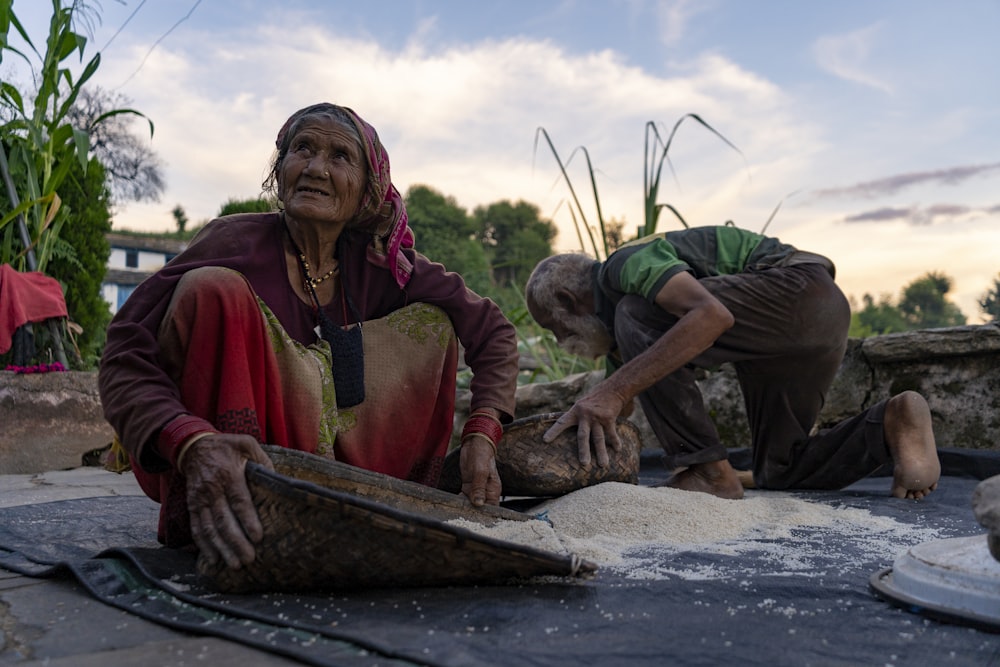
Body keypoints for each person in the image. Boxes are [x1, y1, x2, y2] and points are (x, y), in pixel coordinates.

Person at [99, 103, 518, 571]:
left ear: (366, 189)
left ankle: (375, 502)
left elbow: (494, 331)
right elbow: (124, 348)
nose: (316, 168)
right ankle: (240, 505)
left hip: (347, 469)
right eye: (303, 149)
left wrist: (483, 433)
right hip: (236, 459)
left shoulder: (383, 266)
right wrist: (190, 442)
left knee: (434, 326)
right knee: (211, 290)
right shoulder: (233, 243)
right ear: (280, 171)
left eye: (339, 156)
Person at [525, 225, 940, 501]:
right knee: (780, 469)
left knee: (635, 312)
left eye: (556, 328)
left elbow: (711, 316)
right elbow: (624, 403)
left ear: (567, 300)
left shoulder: (622, 267)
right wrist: (557, 445)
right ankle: (891, 421)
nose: (563, 342)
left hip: (798, 292)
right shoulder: (624, 341)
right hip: (811, 326)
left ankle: (708, 471)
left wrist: (612, 392)